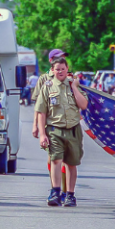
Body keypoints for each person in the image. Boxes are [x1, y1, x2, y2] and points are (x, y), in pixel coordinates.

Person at [34, 56, 88, 207]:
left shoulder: (73, 85)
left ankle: (70, 194)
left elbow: (83, 105)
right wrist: (42, 133)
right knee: (56, 160)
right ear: (52, 70)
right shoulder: (47, 86)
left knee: (71, 163)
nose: (60, 72)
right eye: (57, 69)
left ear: (67, 69)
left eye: (63, 69)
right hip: (54, 129)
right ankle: (55, 192)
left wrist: (75, 87)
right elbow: (41, 112)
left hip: (73, 129)